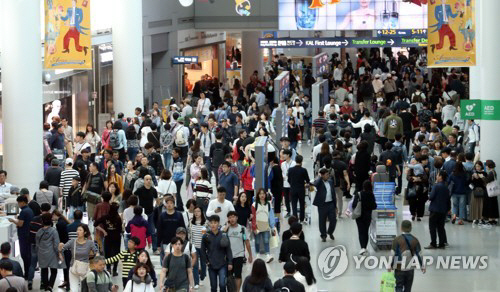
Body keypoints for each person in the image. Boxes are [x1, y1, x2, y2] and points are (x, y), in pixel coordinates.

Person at [59, 224, 98, 292]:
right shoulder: (72, 241)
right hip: (73, 267)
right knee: (73, 290)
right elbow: (63, 248)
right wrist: (60, 248)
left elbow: (96, 252)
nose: (77, 231)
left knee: (86, 289)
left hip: (85, 268)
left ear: (85, 232)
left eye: (80, 230)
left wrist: (97, 259)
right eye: (77, 230)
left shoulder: (89, 243)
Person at [390, 220, 425, 292]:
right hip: (410, 268)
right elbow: (419, 254)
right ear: (411, 228)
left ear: (401, 228)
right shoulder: (415, 240)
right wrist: (422, 266)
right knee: (408, 289)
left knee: (399, 287)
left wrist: (390, 265)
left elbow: (392, 253)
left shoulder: (396, 239)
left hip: (399, 268)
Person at [201, 215, 233, 292]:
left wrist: (230, 262)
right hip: (211, 265)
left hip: (222, 264)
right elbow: (202, 250)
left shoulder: (224, 235)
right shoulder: (206, 236)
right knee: (213, 287)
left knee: (222, 284)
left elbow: (228, 250)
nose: (213, 225)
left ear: (218, 224)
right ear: (209, 224)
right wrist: (206, 261)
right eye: (211, 223)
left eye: (215, 223)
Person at [224, 211, 253, 291]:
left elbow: (247, 242)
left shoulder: (242, 229)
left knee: (238, 275)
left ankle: (237, 290)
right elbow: (221, 240)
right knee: (228, 276)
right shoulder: (226, 229)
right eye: (230, 217)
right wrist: (226, 227)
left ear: (237, 217)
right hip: (228, 257)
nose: (232, 219)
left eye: (233, 217)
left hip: (239, 255)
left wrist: (250, 255)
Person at [7, 196, 33, 280]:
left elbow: (20, 224)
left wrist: (13, 220)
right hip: (28, 235)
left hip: (24, 236)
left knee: (24, 255)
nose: (18, 205)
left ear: (23, 202)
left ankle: (27, 275)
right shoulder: (29, 210)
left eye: (18, 203)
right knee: (28, 255)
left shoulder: (24, 211)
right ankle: (28, 274)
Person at [95, 203, 123, 276]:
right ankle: (114, 270)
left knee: (107, 253)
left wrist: (104, 231)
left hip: (108, 237)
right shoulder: (118, 218)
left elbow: (95, 224)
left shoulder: (105, 217)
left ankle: (108, 269)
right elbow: (120, 229)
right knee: (116, 253)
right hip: (117, 238)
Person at [156, 196, 187, 261]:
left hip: (177, 242)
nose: (169, 205)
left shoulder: (179, 215)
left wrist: (185, 241)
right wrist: (158, 244)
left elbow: (183, 228)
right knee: (166, 260)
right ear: (165, 205)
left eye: (171, 203)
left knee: (177, 260)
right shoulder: (162, 216)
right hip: (165, 241)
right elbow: (159, 230)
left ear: (174, 204)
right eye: (167, 203)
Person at [36, 213, 60, 291]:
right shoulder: (54, 231)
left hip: (42, 253)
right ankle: (50, 286)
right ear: (51, 220)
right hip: (52, 253)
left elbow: (37, 244)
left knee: (44, 270)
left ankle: (46, 286)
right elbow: (56, 244)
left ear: (42, 221)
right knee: (54, 270)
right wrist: (59, 253)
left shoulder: (39, 231)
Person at [426, 170, 449, 249]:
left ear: (441, 177)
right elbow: (448, 199)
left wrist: (429, 197)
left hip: (434, 209)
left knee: (432, 227)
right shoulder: (446, 187)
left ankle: (433, 243)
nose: (436, 176)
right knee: (441, 227)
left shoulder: (436, 186)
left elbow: (431, 197)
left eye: (438, 175)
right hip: (443, 210)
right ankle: (442, 243)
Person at [353, 180, 377, 255]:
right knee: (366, 231)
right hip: (367, 216)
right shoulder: (371, 195)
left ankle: (362, 247)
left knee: (361, 232)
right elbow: (374, 206)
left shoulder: (359, 194)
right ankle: (365, 247)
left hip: (359, 216)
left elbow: (354, 205)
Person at [312, 168, 337, 242]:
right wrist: (320, 177)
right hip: (322, 204)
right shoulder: (319, 182)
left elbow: (333, 194)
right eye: (326, 175)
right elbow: (315, 184)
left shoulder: (330, 181)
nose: (328, 176)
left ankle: (330, 232)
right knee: (322, 220)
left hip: (331, 204)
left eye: (328, 174)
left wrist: (335, 206)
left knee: (333, 220)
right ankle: (323, 235)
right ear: (322, 175)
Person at [287, 155, 311, 222]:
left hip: (293, 189)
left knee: (294, 205)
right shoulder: (303, 170)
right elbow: (308, 180)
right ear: (301, 161)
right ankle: (302, 219)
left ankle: (295, 219)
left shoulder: (290, 170)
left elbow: (288, 180)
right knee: (302, 204)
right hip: (301, 190)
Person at [190, 206, 207, 288]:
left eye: (198, 211)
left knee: (204, 265)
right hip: (194, 247)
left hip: (203, 247)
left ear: (201, 213)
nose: (196, 213)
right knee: (195, 265)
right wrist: (190, 247)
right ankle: (196, 282)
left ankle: (202, 277)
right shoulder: (191, 222)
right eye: (195, 211)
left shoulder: (205, 223)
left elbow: (206, 236)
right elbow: (190, 235)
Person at [482, 160, 499, 226]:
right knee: (493, 204)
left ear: (489, 166)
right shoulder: (493, 172)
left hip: (490, 191)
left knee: (490, 205)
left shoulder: (491, 173)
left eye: (486, 165)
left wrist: (482, 177)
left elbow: (486, 180)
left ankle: (491, 220)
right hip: (493, 191)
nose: (486, 166)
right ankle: (493, 219)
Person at [281, 149, 296, 217]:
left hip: (292, 183)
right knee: (286, 198)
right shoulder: (282, 164)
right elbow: (282, 172)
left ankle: (294, 211)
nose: (283, 155)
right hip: (285, 183)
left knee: (293, 198)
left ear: (288, 155)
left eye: (284, 154)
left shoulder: (294, 163)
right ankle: (288, 211)